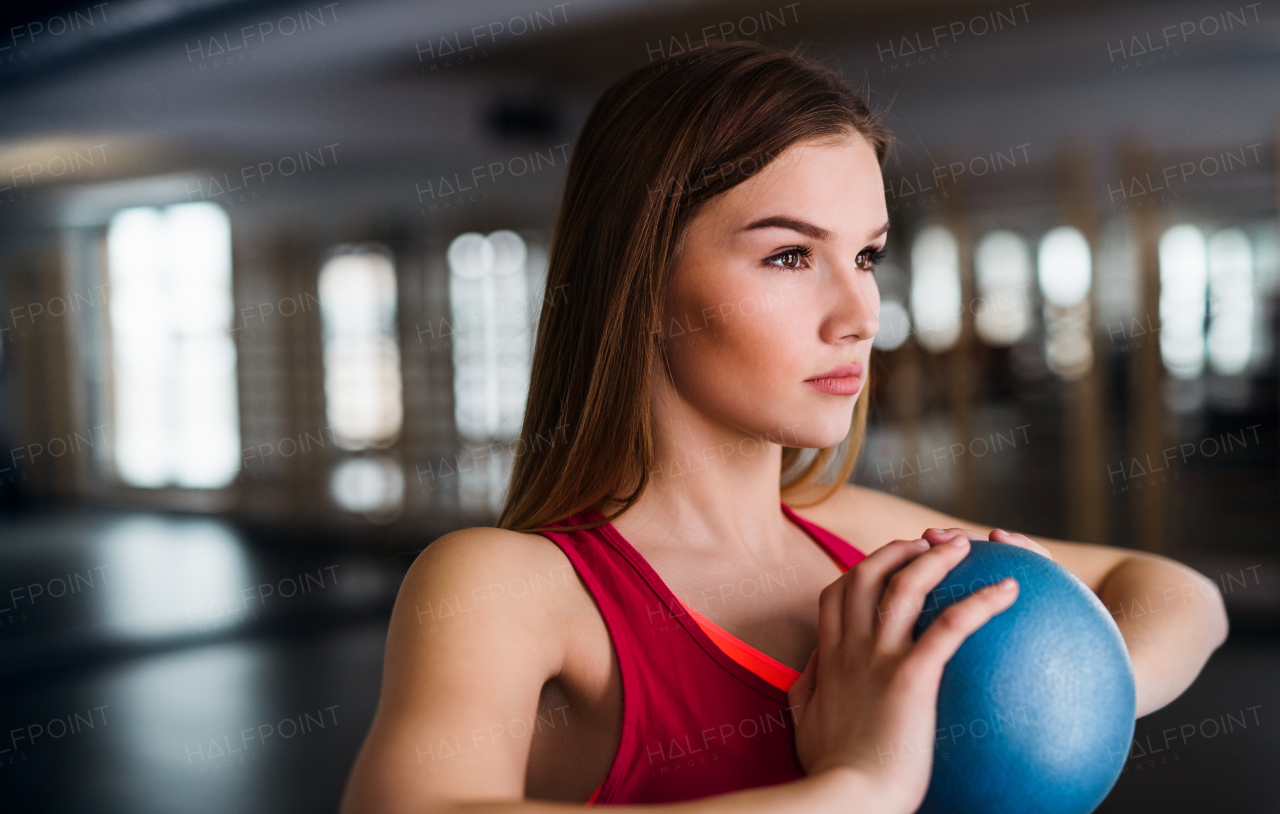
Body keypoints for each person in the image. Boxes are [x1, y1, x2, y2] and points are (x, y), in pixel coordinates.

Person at [340, 41, 1228, 814]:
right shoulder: (513, 587)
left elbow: (1176, 592)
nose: (860, 314)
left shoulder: (859, 533)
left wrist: (1050, 705)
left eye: (867, 256)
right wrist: (854, 791)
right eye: (790, 255)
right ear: (641, 283)